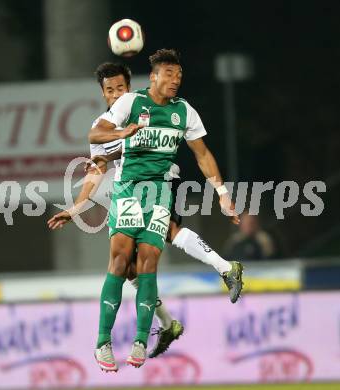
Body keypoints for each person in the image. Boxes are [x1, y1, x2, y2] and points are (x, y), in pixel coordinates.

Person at [88, 50, 244, 371]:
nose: (175, 81)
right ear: (154, 77)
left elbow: (202, 154)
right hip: (128, 188)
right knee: (121, 263)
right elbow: (95, 139)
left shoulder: (184, 111)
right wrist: (122, 134)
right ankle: (104, 341)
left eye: (179, 76)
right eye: (170, 74)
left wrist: (222, 193)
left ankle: (141, 341)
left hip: (159, 191)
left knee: (147, 265)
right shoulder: (129, 105)